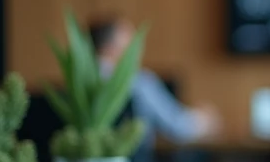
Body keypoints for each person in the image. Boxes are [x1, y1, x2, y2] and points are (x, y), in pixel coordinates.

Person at [89, 17, 221, 145]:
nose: (138, 49)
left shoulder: (76, 87)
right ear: (110, 47)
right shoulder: (139, 83)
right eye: (131, 42)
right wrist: (205, 119)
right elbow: (178, 127)